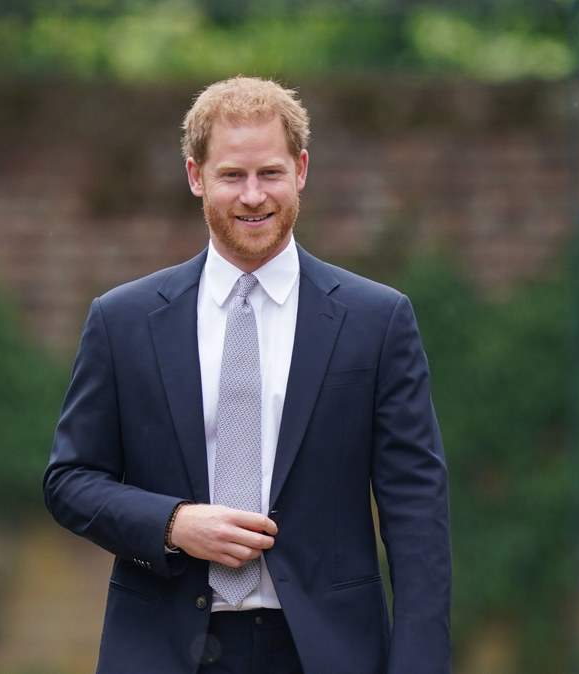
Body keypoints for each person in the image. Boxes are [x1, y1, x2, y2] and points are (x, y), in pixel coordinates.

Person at [43, 76, 451, 673]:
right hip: (162, 648)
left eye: (271, 173)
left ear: (302, 170)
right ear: (196, 177)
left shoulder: (377, 320)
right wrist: (173, 523)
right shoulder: (122, 321)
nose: (254, 196)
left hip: (327, 652)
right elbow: (70, 480)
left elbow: (417, 510)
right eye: (233, 175)